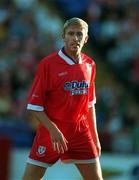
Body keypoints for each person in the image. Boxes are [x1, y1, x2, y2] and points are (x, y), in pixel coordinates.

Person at [23, 17, 103, 180]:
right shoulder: (48, 64)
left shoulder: (90, 65)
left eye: (79, 34)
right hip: (51, 132)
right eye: (71, 34)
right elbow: (34, 106)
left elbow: (89, 105)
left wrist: (95, 137)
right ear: (63, 37)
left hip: (81, 132)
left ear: (86, 38)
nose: (75, 38)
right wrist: (53, 130)